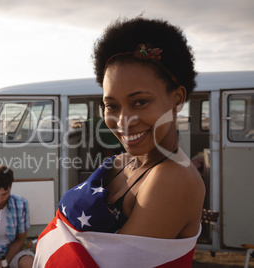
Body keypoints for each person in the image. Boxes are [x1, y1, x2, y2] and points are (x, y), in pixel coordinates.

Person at [34, 16, 205, 267]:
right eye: (111, 106)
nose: (124, 120)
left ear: (177, 99)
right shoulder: (122, 163)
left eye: (140, 102)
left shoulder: (172, 178)